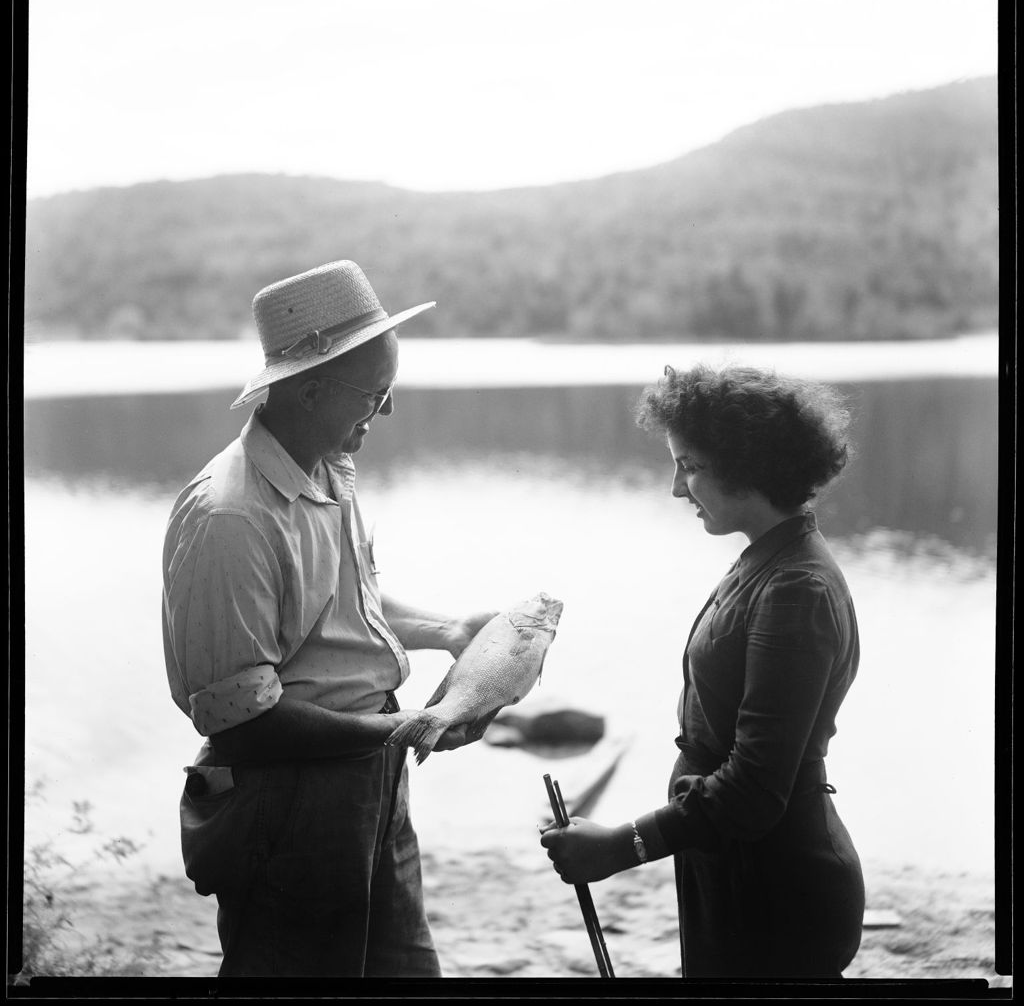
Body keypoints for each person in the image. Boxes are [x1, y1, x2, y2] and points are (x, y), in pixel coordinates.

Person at [162, 260, 497, 978]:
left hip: (371, 778)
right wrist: (401, 730)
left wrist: (450, 631)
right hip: (289, 805)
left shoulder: (327, 466)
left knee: (403, 975)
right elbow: (243, 721)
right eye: (376, 394)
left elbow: (346, 610)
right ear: (311, 390)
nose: (388, 412)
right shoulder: (231, 516)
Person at [540, 363, 864, 979]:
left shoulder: (797, 588)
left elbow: (754, 788)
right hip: (735, 870)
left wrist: (623, 844)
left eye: (689, 466)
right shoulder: (766, 561)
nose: (676, 488)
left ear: (747, 464)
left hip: (779, 888)